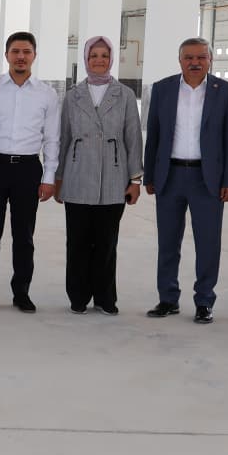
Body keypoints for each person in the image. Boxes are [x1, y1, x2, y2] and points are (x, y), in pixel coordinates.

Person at [143, 37, 228, 324]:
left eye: (201, 57)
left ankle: (204, 301)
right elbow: (154, 134)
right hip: (170, 175)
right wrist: (150, 175)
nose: (195, 62)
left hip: (207, 179)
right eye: (189, 57)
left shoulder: (225, 91)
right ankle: (168, 298)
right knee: (167, 242)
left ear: (210, 60)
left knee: (208, 243)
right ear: (180, 60)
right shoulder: (162, 89)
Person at [53, 36, 143, 315]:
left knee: (106, 243)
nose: (99, 60)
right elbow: (63, 138)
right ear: (85, 59)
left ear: (111, 59)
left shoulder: (124, 95)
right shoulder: (73, 95)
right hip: (77, 176)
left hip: (114, 178)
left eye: (104, 55)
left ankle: (105, 297)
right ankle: (78, 296)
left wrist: (135, 179)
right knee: (77, 241)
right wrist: (58, 178)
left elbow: (133, 138)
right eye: (94, 56)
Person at [0, 31, 60, 313]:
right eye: (15, 51)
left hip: (27, 168)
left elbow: (52, 138)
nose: (21, 57)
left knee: (24, 236)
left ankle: (21, 292)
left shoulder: (47, 94)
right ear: (6, 55)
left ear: (34, 55)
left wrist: (49, 178)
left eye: (26, 52)